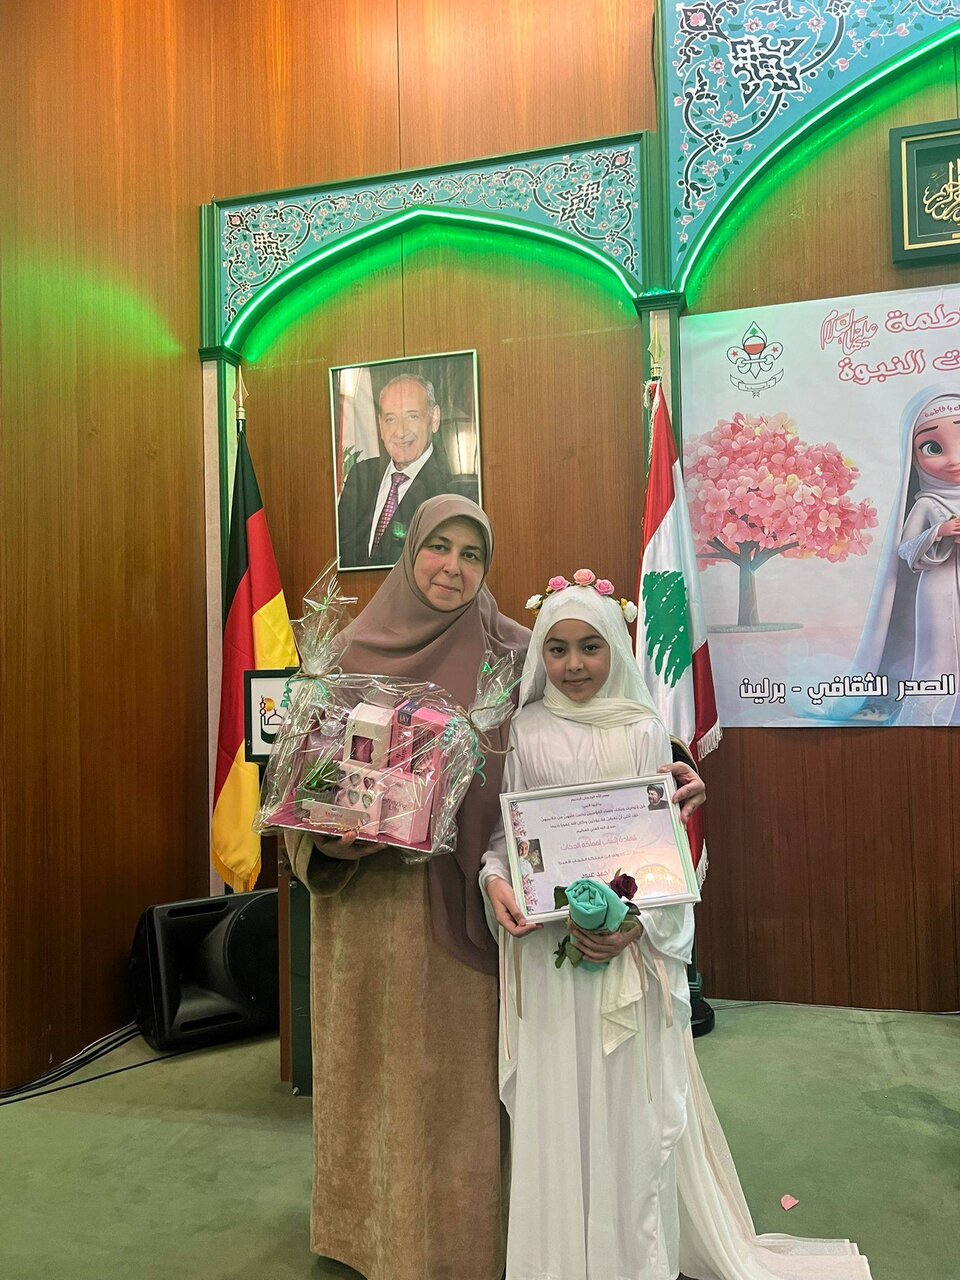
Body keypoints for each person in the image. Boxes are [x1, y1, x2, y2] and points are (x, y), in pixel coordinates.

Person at [482, 576, 873, 1280]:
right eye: (558, 648)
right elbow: (508, 837)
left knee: (627, 1111)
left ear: (616, 646)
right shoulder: (525, 731)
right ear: (540, 653)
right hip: (549, 956)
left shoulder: (642, 730)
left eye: (591, 646)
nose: (574, 664)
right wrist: (496, 880)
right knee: (562, 1106)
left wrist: (634, 926)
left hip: (627, 956)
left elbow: (661, 851)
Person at [285, 495, 528, 1280]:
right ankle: (370, 1233)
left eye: (471, 554)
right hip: (370, 913)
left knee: (456, 1085)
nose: (452, 567)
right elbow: (303, 784)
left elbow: (585, 723)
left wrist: (663, 770)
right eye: (438, 548)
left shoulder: (511, 654)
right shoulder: (346, 652)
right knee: (375, 1075)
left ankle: (464, 1241)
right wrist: (329, 834)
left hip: (465, 903)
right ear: (410, 551)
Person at [846, 387, 960, 726]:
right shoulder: (927, 503)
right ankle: (932, 710)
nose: (953, 459)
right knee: (939, 651)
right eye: (933, 447)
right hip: (939, 590)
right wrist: (939, 532)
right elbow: (906, 550)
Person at [337, 374, 468, 569]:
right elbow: (341, 554)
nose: (400, 432)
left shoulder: (451, 491)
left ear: (434, 418)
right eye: (391, 419)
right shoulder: (361, 474)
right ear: (380, 425)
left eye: (412, 416)